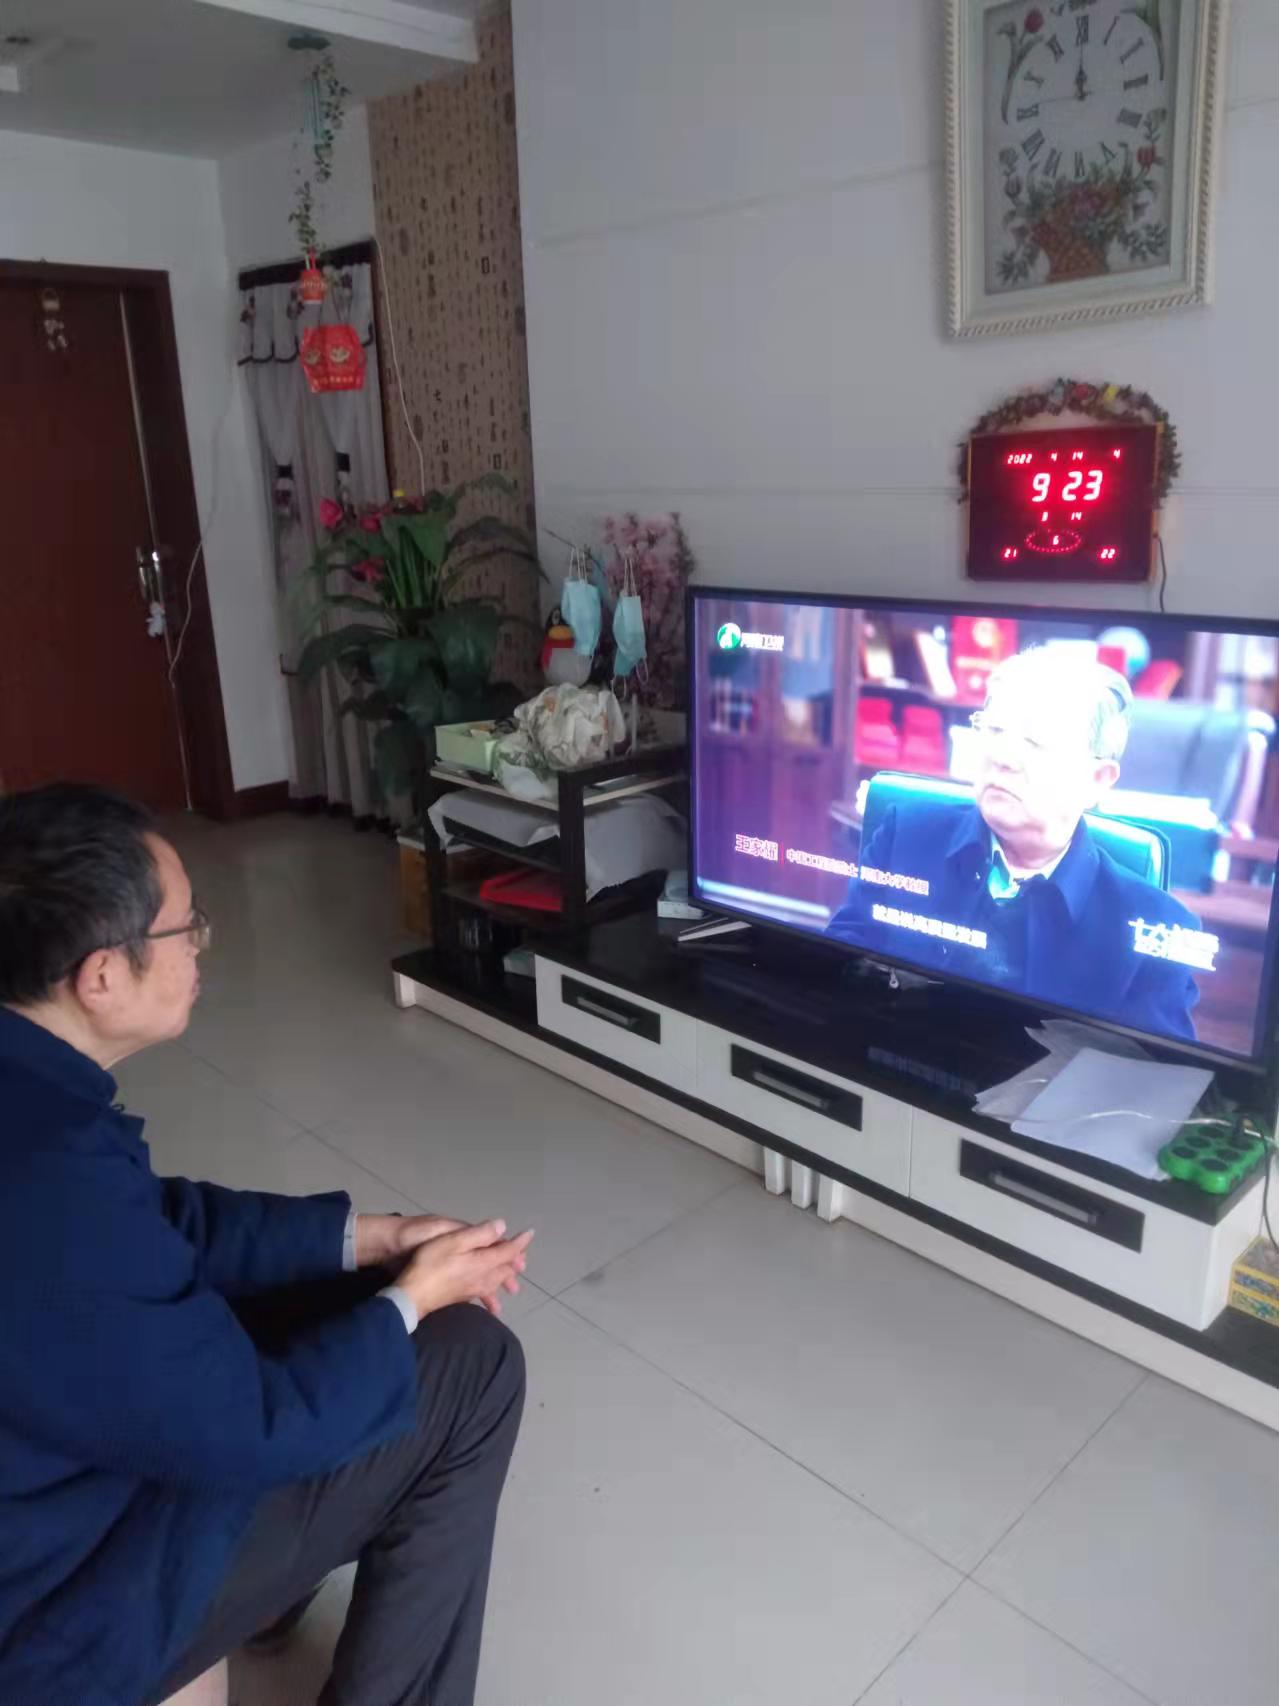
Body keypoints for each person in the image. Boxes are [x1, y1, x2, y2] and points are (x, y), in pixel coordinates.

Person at [0, 783, 533, 1706]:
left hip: (51, 1480)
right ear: (100, 976)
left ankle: (268, 1599)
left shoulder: (33, 1104)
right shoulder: (48, 1175)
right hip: (57, 1607)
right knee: (472, 1365)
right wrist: (410, 1300)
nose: (203, 942)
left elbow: (154, 1224)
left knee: (343, 1298)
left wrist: (369, 1240)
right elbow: (255, 1427)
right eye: (185, 928)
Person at [827, 649, 1202, 1040]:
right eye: (993, 730)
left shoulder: (1157, 926)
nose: (1002, 757)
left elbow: (1148, 1070)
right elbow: (837, 974)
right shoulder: (905, 836)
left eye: (1035, 741)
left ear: (1096, 780)